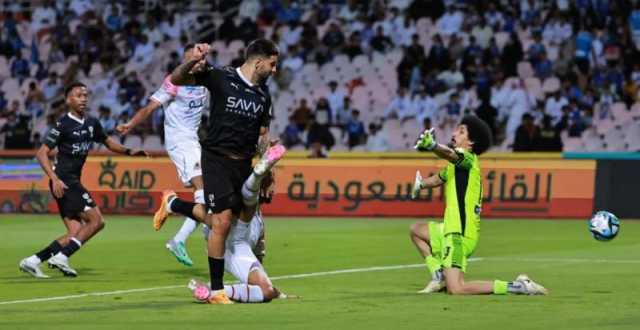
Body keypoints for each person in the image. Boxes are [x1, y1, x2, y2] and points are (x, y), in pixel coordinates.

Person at [154, 39, 284, 304]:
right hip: (217, 160)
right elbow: (177, 80)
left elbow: (262, 135)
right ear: (258, 61)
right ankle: (216, 291)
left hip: (243, 163)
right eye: (272, 64)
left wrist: (268, 167)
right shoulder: (221, 76)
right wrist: (193, 61)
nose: (274, 70)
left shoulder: (263, 95)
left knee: (225, 221)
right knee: (222, 222)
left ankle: (174, 203)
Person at [19, 82, 148, 278]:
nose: (83, 99)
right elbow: (41, 153)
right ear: (68, 100)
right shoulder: (63, 124)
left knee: (75, 233)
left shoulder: (92, 123)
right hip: (64, 181)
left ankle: (33, 261)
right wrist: (54, 179)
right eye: (79, 95)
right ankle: (62, 257)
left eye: (85, 95)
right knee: (97, 221)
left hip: (69, 181)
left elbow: (107, 142)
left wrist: (129, 151)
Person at [409, 115, 547, 295]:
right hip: (449, 229)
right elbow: (438, 178)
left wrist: (433, 145)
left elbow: (450, 154)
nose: (454, 133)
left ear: (471, 142)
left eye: (461, 131)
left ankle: (519, 286)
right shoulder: (455, 166)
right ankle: (438, 275)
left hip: (460, 234)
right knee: (417, 230)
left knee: (457, 289)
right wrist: (421, 185)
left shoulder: (468, 160)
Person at [116, 44, 209, 267]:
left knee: (208, 195)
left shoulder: (207, 80)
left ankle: (179, 235)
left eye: (201, 59)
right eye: (193, 59)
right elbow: (150, 108)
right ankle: (195, 226)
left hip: (194, 141)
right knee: (204, 193)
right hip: (180, 141)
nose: (199, 62)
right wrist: (130, 124)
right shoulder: (174, 83)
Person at [186, 171, 294, 303]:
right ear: (262, 185)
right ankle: (214, 290)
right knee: (267, 291)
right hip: (226, 250)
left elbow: (258, 257)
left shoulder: (258, 219)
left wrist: (267, 285)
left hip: (239, 251)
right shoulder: (240, 208)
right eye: (273, 185)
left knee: (267, 291)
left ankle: (213, 290)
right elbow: (211, 219)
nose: (274, 191)